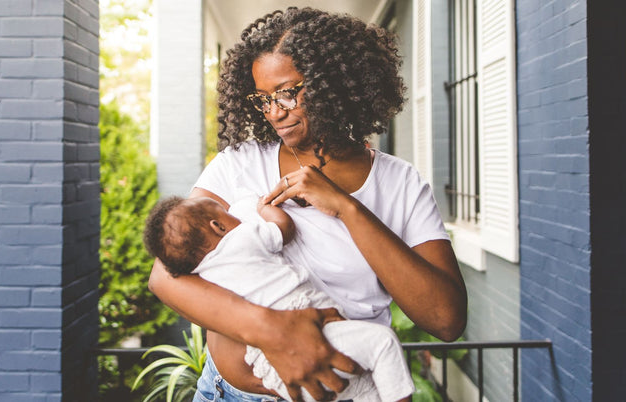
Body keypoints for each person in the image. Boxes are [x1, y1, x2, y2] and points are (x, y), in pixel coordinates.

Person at [148, 7, 467, 402]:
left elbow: (446, 319)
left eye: (287, 92)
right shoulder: (240, 162)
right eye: (263, 99)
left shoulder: (399, 184)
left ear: (332, 83)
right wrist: (274, 332)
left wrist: (347, 208)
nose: (274, 112)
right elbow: (164, 277)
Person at [143, 194, 414, 401]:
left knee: (363, 385)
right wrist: (265, 210)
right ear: (218, 226)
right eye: (227, 213)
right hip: (315, 344)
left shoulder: (200, 273)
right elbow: (284, 228)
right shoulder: (243, 237)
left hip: (276, 376)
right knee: (383, 343)